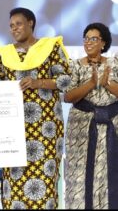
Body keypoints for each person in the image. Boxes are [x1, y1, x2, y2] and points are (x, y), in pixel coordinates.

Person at [0, 7, 71, 209]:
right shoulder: (4, 53)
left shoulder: (51, 47)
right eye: (11, 26)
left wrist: (39, 83)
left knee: (44, 184)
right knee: (15, 185)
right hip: (12, 130)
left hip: (45, 130)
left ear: (31, 23)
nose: (14, 28)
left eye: (18, 23)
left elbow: (66, 80)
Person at [64, 22, 118, 209]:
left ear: (103, 43)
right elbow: (68, 96)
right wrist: (90, 83)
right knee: (80, 175)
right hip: (81, 129)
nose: (88, 43)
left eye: (93, 39)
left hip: (112, 125)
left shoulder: (114, 63)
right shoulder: (74, 65)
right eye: (86, 39)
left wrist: (107, 84)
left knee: (108, 173)